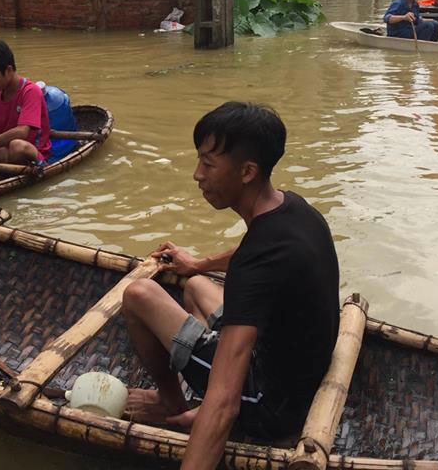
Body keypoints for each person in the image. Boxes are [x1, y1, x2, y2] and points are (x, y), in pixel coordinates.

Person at [121, 102, 339, 468]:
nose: (197, 175)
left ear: (247, 171)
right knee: (195, 286)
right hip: (300, 368)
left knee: (138, 294)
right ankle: (192, 383)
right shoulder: (295, 208)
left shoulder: (255, 266)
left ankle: (171, 402)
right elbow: (247, 249)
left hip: (270, 405)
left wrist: (208, 414)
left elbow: (224, 403)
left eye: (208, 164)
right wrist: (199, 264)